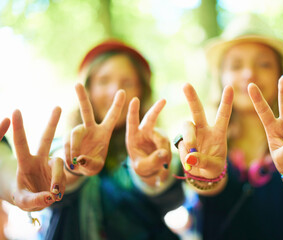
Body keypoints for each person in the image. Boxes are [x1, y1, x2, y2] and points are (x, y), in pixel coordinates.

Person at [175, 14, 283, 240]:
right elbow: (199, 184)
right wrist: (205, 176)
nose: (249, 73)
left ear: (280, 74)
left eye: (263, 64)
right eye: (235, 65)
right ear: (221, 77)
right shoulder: (203, 147)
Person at [44, 39, 182, 240]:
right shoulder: (62, 144)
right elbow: (50, 180)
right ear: (88, 89)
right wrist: (71, 163)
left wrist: (151, 175)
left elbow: (171, 195)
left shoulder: (154, 147)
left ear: (142, 92)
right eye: (103, 81)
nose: (116, 93)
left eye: (127, 83)